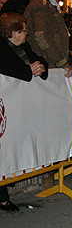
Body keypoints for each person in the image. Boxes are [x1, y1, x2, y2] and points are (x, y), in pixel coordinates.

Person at [0, 12, 48, 211]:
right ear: (12, 32)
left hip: (19, 109)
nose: (26, 34)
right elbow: (9, 68)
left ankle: (3, 197)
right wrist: (29, 71)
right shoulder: (2, 48)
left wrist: (39, 68)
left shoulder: (24, 46)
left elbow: (39, 61)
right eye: (22, 31)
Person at [24, 0, 72, 78]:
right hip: (47, 65)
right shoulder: (43, 6)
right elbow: (42, 37)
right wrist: (62, 62)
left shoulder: (43, 4)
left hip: (47, 63)